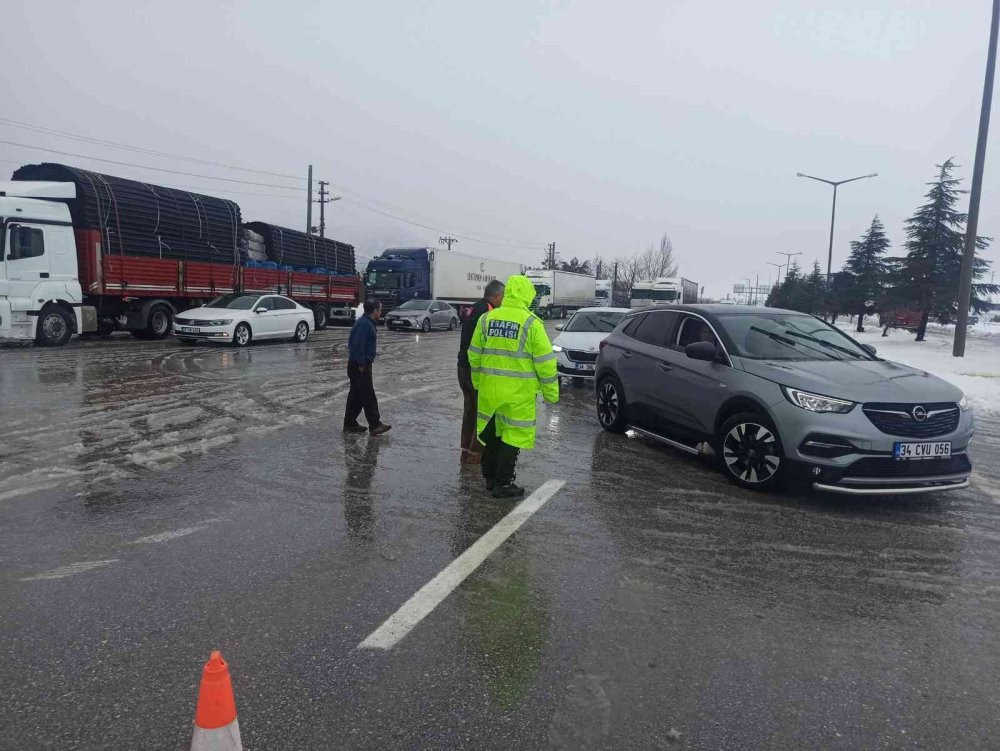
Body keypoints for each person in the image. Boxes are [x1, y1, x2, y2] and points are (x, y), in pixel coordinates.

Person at [467, 275, 559, 498]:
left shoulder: (487, 319)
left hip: (491, 389)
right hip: (519, 393)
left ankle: (489, 478)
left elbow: (474, 355)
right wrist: (551, 395)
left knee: (492, 434)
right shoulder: (531, 323)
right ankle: (503, 483)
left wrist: (479, 383)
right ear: (527, 295)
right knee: (513, 436)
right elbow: (545, 364)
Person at [458, 280, 505, 464]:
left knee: (469, 410)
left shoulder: (473, 308)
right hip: (474, 369)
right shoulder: (488, 312)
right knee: (482, 412)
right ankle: (475, 454)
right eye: (504, 296)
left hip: (462, 366)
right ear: (497, 295)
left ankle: (465, 450)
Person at [344, 298, 392, 436]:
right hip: (360, 365)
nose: (381, 312)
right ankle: (375, 424)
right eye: (380, 310)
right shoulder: (365, 325)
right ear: (374, 311)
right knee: (368, 395)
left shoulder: (366, 322)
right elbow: (358, 345)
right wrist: (361, 364)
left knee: (356, 396)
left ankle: (350, 424)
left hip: (359, 364)